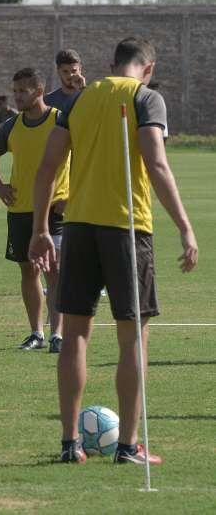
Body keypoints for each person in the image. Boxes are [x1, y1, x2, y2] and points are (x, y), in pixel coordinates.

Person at [29, 37, 198, 464]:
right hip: (127, 229)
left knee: (74, 336)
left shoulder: (78, 100)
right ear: (149, 67)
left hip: (80, 229)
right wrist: (184, 226)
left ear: (111, 64)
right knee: (132, 340)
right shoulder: (147, 97)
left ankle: (70, 445)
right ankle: (127, 445)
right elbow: (156, 162)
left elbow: (48, 167)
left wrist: (39, 229)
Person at [0, 68, 68, 353]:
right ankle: (36, 333)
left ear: (39, 90)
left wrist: (74, 195)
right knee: (29, 271)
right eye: (15, 91)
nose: (17, 96)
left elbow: (86, 158)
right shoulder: (11, 126)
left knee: (55, 272)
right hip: (20, 211)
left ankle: (58, 335)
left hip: (56, 210)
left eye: (23, 91)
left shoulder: (62, 121)